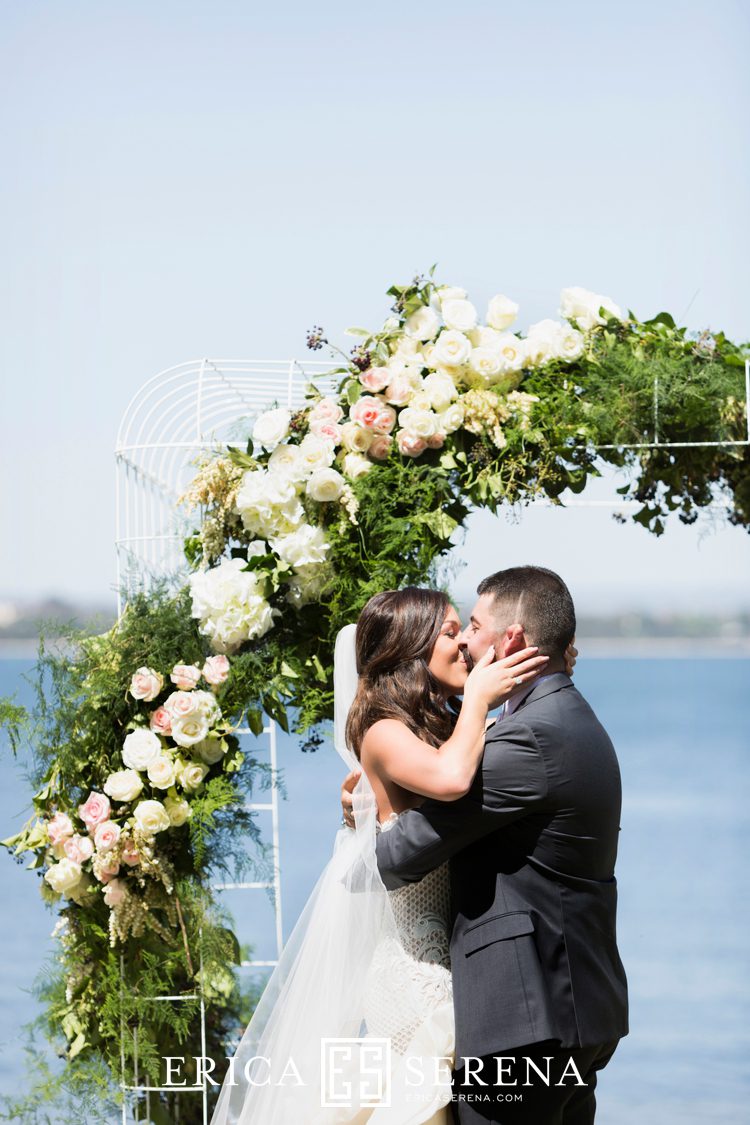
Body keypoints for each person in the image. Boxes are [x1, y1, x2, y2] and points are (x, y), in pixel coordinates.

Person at [209, 586, 550, 1125]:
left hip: (448, 964)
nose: (464, 645)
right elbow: (453, 777)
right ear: (411, 647)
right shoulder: (382, 730)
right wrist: (483, 698)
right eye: (449, 632)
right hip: (415, 975)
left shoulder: (443, 723)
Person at [341, 566, 629, 1124]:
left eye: (470, 626)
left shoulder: (524, 736)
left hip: (526, 1021)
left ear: (512, 640)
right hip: (571, 1007)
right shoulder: (563, 716)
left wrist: (371, 819)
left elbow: (397, 856)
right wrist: (373, 804)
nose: (468, 642)